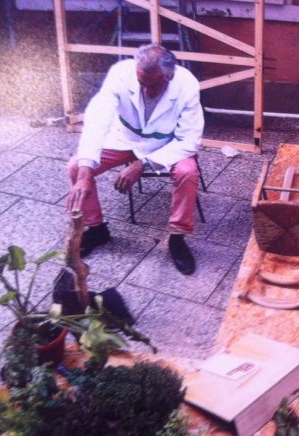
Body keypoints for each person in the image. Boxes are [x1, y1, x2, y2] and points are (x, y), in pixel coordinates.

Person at [66, 43, 204, 275]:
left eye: (155, 85)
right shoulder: (121, 73)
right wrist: (84, 172)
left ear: (170, 76)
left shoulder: (187, 84)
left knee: (187, 173)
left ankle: (177, 238)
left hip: (166, 145)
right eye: (142, 83)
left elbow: (189, 141)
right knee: (75, 166)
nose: (147, 91)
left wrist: (143, 165)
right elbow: (98, 118)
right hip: (125, 139)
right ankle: (97, 228)